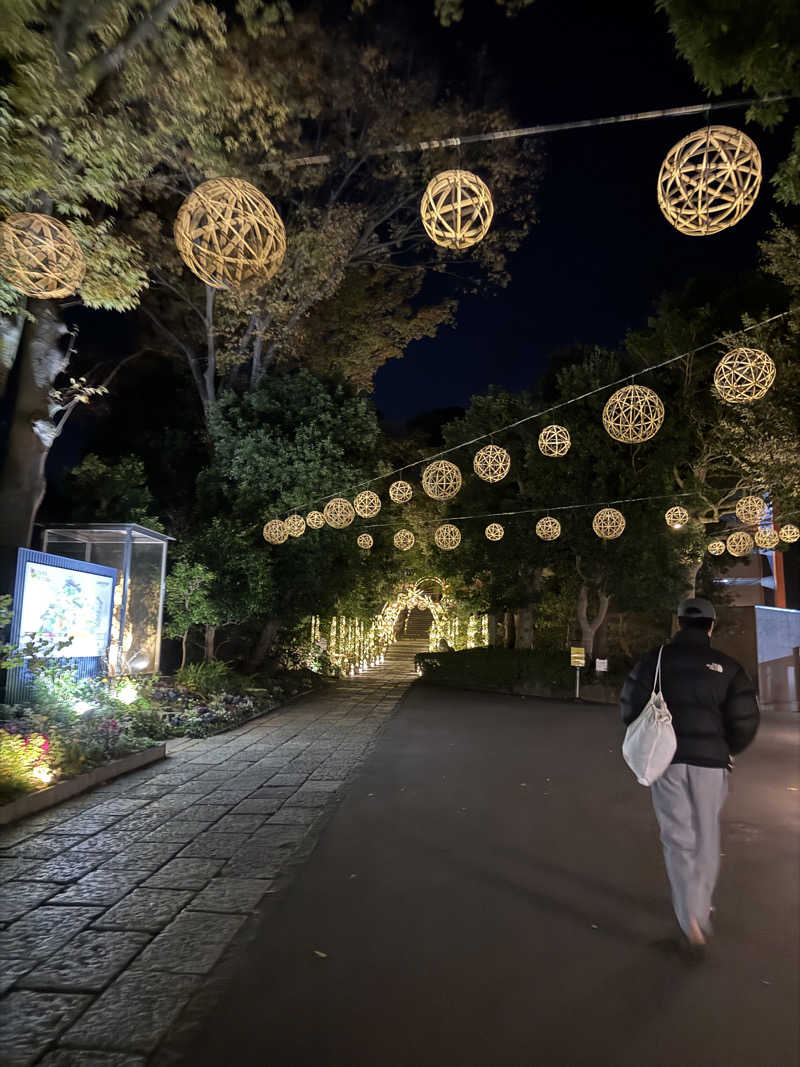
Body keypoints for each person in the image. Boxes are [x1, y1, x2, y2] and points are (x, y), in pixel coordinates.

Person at [620, 597, 759, 952]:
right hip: (711, 765)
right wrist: (729, 748)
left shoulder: (655, 661)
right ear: (711, 626)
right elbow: (745, 720)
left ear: (679, 623)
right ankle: (701, 910)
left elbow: (629, 706)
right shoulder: (728, 668)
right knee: (706, 835)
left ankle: (690, 920)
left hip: (667, 761)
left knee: (678, 839)